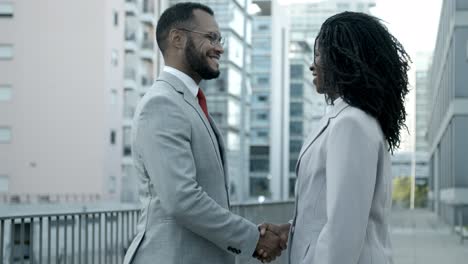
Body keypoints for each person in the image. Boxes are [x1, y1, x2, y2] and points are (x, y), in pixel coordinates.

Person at [123, 2, 284, 264]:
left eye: (221, 39)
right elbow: (183, 199)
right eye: (211, 37)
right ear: (177, 38)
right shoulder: (162, 104)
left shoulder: (190, 102)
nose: (220, 47)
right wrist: (254, 239)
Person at [260, 11, 410, 264]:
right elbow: (331, 209)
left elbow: (344, 229)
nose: (312, 64)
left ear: (342, 60)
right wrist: (293, 230)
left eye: (318, 54)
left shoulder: (351, 123)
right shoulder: (346, 119)